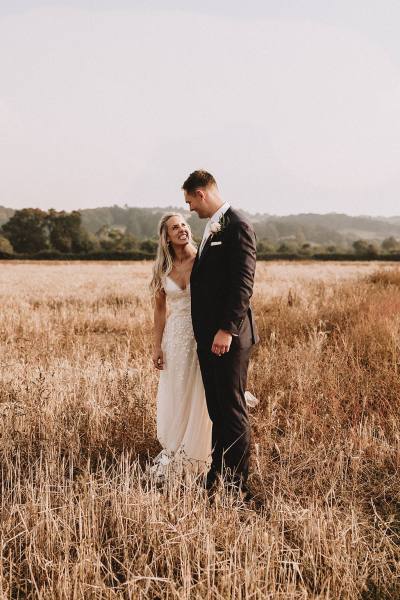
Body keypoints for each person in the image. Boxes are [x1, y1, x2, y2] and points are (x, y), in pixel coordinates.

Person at [183, 170, 259, 498]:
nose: (189, 209)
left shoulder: (237, 225)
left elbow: (242, 284)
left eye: (189, 201)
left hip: (227, 338)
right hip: (208, 338)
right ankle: (218, 472)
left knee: (231, 408)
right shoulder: (212, 226)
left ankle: (237, 484)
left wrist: (227, 329)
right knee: (216, 409)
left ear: (202, 193)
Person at [149, 213, 212, 480]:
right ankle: (178, 448)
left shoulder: (204, 258)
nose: (182, 229)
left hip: (202, 333)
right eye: (175, 227)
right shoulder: (162, 269)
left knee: (199, 390)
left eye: (184, 224)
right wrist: (156, 346)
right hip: (176, 338)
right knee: (178, 390)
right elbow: (160, 311)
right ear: (167, 236)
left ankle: (200, 450)